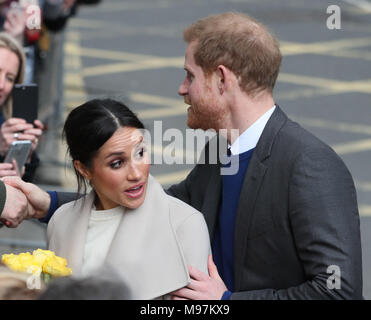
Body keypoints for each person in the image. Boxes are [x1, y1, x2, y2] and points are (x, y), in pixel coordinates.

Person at [4, 12, 363, 300]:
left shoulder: (309, 163)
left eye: (189, 76)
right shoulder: (221, 149)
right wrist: (47, 203)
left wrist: (225, 301)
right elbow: (163, 202)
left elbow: (338, 290)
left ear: (221, 80)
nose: (181, 88)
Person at [27, 98, 210, 300]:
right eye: (117, 163)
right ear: (84, 169)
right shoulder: (61, 222)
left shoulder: (185, 225)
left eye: (140, 153)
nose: (136, 173)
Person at [0, 32, 43, 181]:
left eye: (10, 78)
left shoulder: (9, 122)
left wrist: (25, 155)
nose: (2, 85)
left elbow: (24, 187)